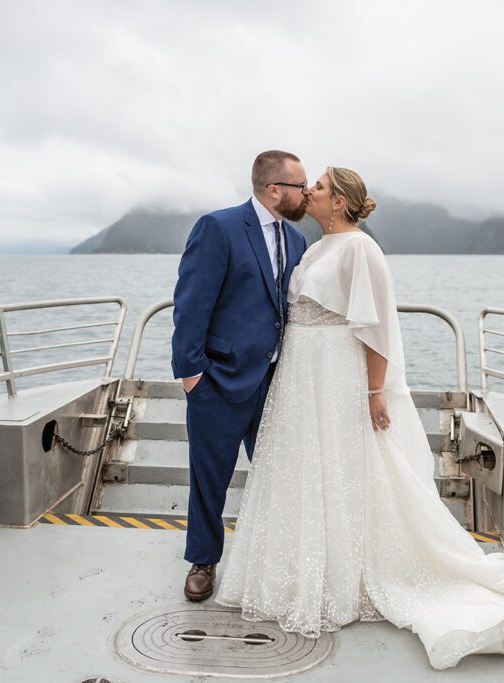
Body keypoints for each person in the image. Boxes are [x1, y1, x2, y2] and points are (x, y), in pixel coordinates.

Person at [217, 167, 504, 670]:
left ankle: (348, 573)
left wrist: (375, 391)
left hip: (335, 374)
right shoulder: (315, 245)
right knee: (304, 468)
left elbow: (374, 326)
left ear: (342, 202)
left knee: (343, 466)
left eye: (321, 187)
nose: (310, 191)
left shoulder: (359, 248)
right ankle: (302, 569)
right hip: (299, 377)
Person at [171, 150, 309, 602]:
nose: (305, 193)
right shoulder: (219, 227)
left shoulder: (297, 239)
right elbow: (192, 304)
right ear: (274, 189)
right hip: (219, 380)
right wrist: (192, 374)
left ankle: (273, 556)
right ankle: (203, 561)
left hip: (275, 381)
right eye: (298, 185)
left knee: (277, 474)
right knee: (209, 476)